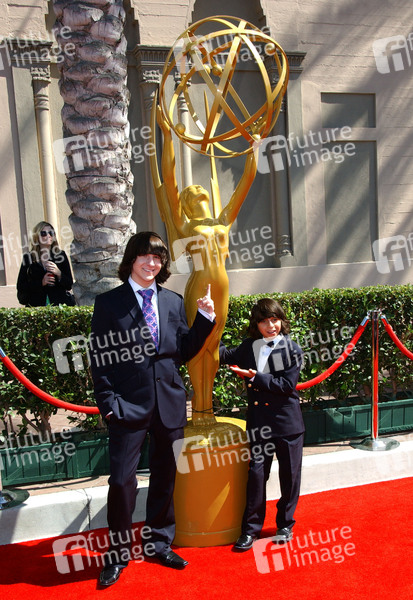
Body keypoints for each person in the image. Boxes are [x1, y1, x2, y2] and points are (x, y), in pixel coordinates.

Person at [90, 231, 215, 587]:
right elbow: (100, 358)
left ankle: (159, 543)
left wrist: (204, 318)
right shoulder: (109, 303)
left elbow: (183, 351)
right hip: (126, 407)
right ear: (131, 259)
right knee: (121, 482)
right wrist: (108, 404)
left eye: (158, 257)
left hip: (169, 405)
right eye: (145, 255)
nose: (151, 262)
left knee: (165, 477)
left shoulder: (172, 301)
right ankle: (117, 554)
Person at [151, 104, 258, 423]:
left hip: (222, 288)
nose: (198, 189)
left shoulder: (223, 220)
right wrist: (167, 136)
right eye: (191, 192)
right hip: (199, 287)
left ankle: (206, 410)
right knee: (198, 347)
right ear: (185, 205)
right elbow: (170, 180)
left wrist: (254, 147)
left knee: (213, 350)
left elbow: (245, 184)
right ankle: (198, 411)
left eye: (200, 189)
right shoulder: (185, 225)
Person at [219, 298, 304, 550]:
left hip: (287, 424)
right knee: (256, 476)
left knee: (290, 477)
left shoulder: (292, 349)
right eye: (265, 321)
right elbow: (223, 355)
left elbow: (286, 386)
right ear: (256, 324)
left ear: (281, 321)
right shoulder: (249, 346)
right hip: (259, 425)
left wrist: (256, 377)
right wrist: (211, 322)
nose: (271, 326)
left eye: (275, 320)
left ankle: (285, 525)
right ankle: (250, 530)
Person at [16, 221, 74, 306]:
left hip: (59, 306)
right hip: (36, 306)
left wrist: (59, 273)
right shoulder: (29, 257)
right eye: (43, 233)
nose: (48, 235)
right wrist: (41, 282)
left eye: (51, 233)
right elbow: (21, 286)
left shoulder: (60, 256)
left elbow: (69, 284)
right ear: (36, 236)